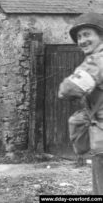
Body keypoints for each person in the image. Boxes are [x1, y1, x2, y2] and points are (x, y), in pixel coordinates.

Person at [58, 12, 103, 194]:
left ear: (101, 36)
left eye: (87, 34)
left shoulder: (97, 61)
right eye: (79, 37)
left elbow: (67, 89)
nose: (82, 41)